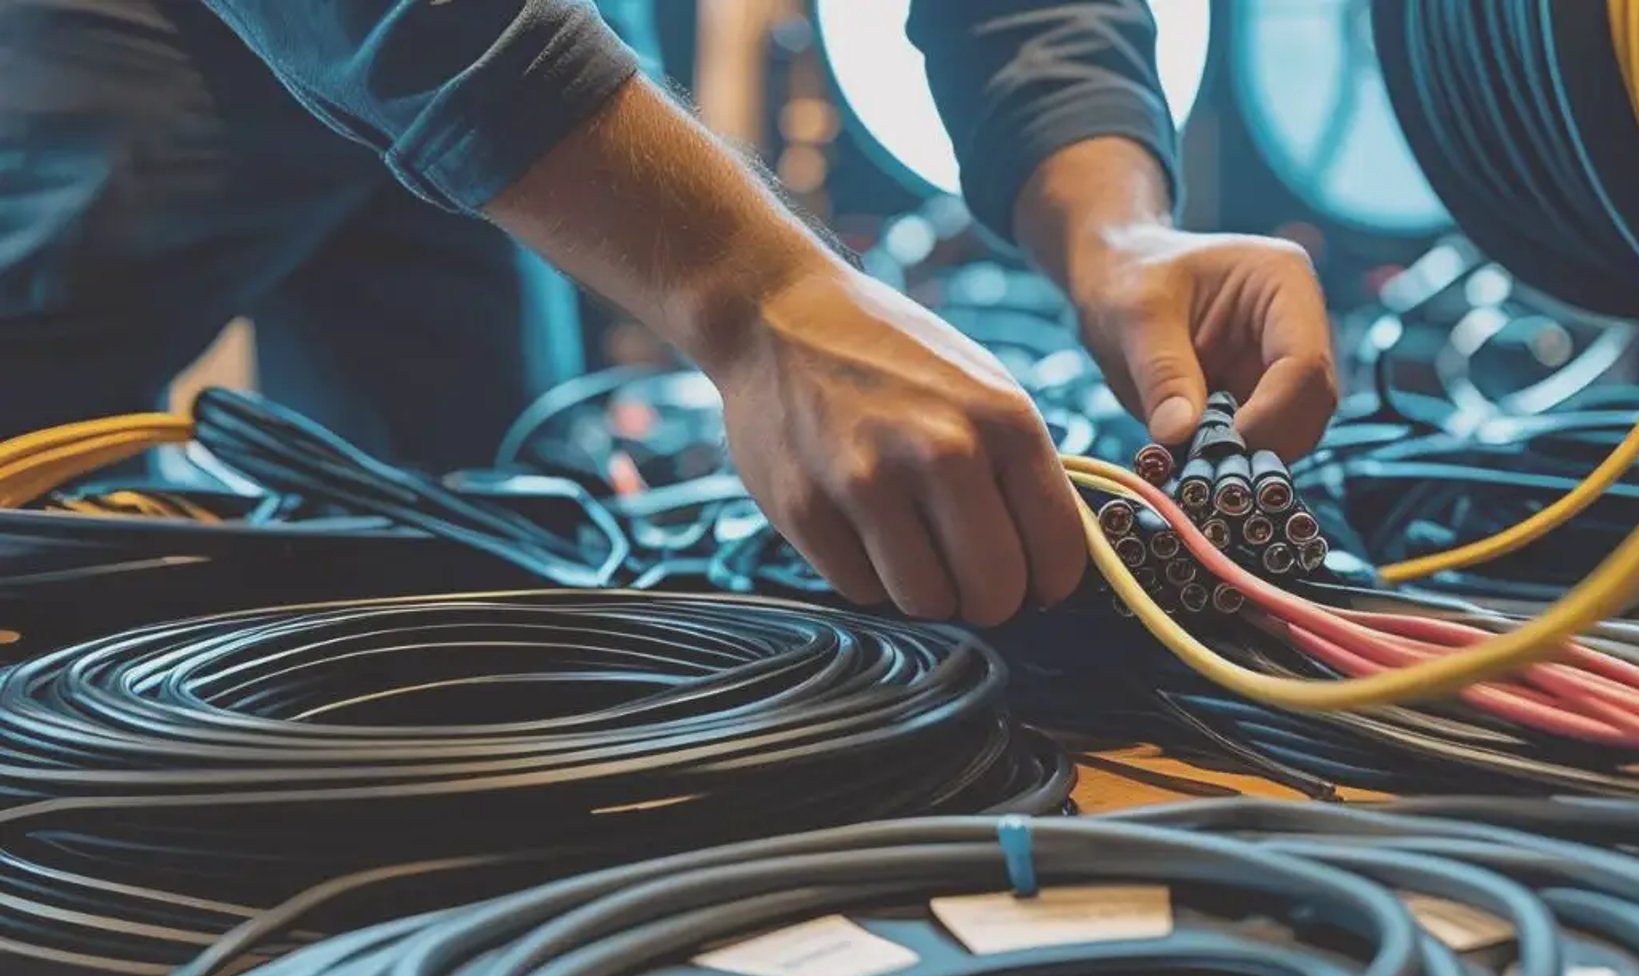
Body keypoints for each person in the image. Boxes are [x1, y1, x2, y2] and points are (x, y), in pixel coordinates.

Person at [0, 0, 1335, 625]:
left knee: (456, 599)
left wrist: (1111, 220)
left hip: (528, 38)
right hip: (152, 40)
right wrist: (757, 294)